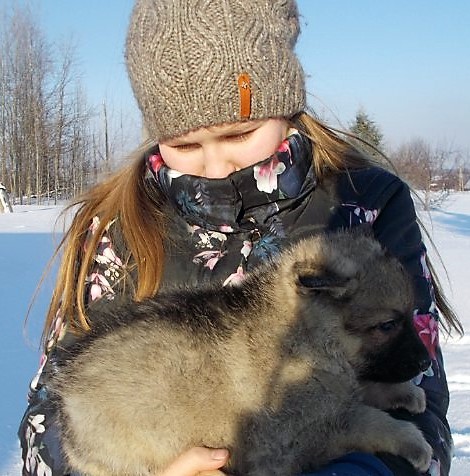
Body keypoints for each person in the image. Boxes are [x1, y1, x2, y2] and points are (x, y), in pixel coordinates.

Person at [18, 0, 462, 475]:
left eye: (239, 133)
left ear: (285, 106)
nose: (214, 164)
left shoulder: (364, 204)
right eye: (184, 144)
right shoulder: (122, 228)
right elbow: (49, 420)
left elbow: (419, 393)